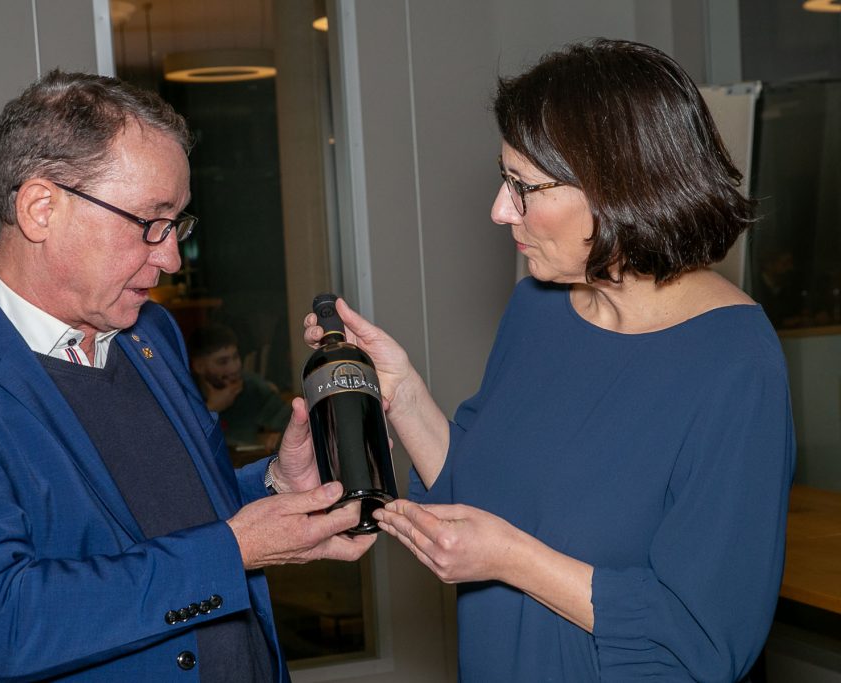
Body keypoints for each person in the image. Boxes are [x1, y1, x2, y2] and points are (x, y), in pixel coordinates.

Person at [0, 70, 374, 682]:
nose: (170, 257)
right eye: (151, 221)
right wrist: (234, 551)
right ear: (41, 207)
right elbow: (3, 623)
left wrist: (276, 485)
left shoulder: (151, 333)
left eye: (178, 225)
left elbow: (171, 521)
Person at [305, 39, 795, 682]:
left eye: (522, 186)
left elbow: (704, 641)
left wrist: (513, 560)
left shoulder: (735, 367)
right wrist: (402, 391)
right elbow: (476, 494)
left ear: (620, 188)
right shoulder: (541, 306)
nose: (499, 209)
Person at [189, 323, 292, 451]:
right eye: (222, 362)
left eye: (235, 357)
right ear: (199, 367)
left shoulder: (253, 387)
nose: (234, 368)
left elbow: (291, 422)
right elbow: (184, 440)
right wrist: (212, 408)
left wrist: (278, 437)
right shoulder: (186, 393)